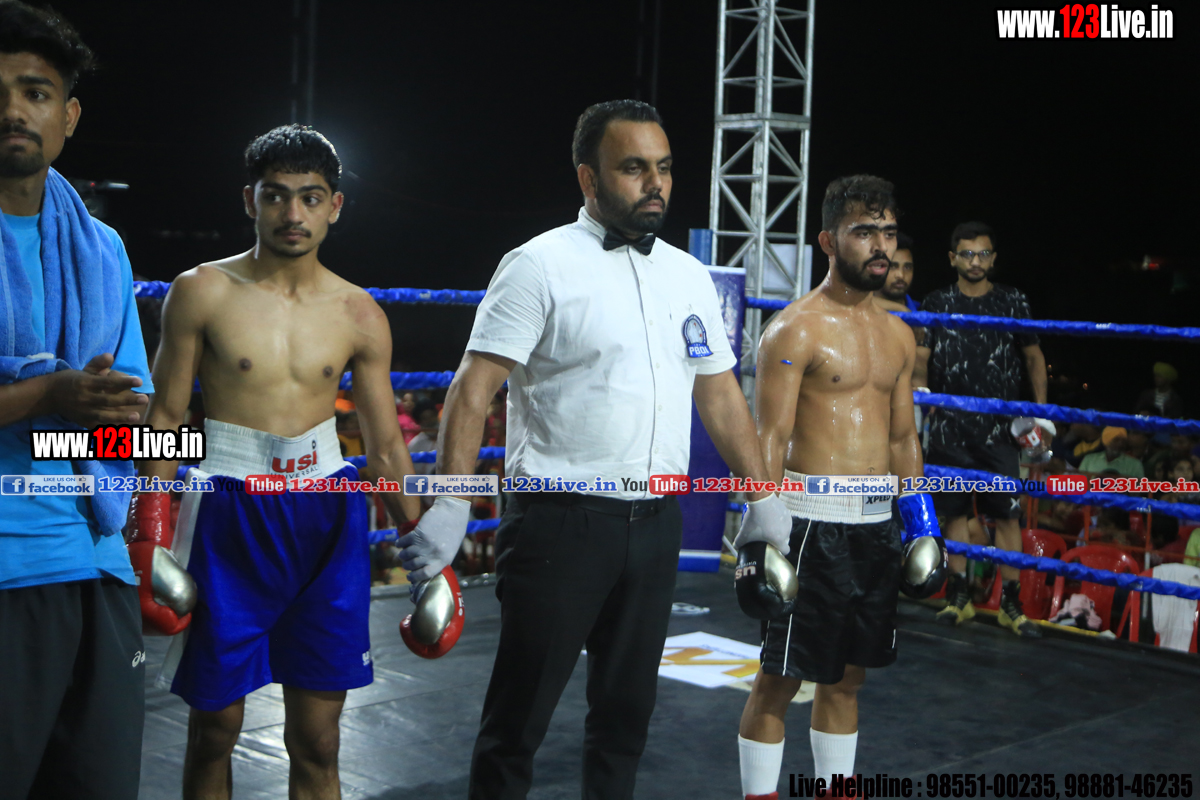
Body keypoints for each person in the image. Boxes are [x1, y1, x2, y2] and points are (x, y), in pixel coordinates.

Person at [396, 99, 791, 800]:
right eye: (634, 167)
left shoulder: (686, 274)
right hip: (560, 524)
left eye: (664, 167)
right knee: (518, 722)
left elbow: (720, 394)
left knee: (626, 719)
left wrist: (762, 494)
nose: (655, 183)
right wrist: (452, 501)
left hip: (656, 525)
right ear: (589, 178)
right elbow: (472, 387)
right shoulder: (538, 265)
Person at [138, 124, 421, 800]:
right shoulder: (201, 291)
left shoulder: (360, 313)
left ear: (334, 206)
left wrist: (426, 551)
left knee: (320, 739)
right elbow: (165, 419)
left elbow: (385, 448)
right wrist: (147, 530)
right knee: (215, 728)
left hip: (326, 516)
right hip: (228, 510)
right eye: (276, 196)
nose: (293, 213)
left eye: (310, 197)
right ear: (251, 200)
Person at [736, 175, 942, 800]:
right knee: (779, 680)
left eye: (888, 233)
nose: (881, 246)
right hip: (807, 524)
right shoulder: (794, 330)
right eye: (864, 232)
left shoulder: (899, 334)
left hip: (875, 526)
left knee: (848, 679)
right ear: (828, 241)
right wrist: (762, 531)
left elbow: (903, 439)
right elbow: (769, 436)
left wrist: (921, 522)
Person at [0, 5, 153, 797]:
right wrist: (50, 392)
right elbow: (67, 399)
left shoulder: (102, 248)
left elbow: (134, 414)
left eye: (35, 91)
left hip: (96, 563)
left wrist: (113, 416)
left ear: (68, 116)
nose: (13, 110)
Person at [918, 221, 1049, 637]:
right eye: (967, 253)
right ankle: (959, 596)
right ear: (952, 258)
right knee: (953, 513)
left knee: (1007, 516)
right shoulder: (937, 301)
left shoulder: (1012, 300)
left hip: (1000, 428)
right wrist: (923, 397)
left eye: (983, 254)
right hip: (950, 425)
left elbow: (1033, 356)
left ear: (993, 259)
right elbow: (921, 358)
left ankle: (1011, 603)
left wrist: (1041, 414)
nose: (976, 261)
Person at [874, 231, 919, 311]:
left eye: (907, 267)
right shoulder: (855, 311)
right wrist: (901, 309)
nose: (901, 275)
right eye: (892, 266)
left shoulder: (923, 311)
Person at [1078, 427, 1145, 479]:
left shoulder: (1135, 465)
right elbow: (1079, 484)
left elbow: (1139, 489)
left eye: (1123, 441)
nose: (1120, 444)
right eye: (1116, 440)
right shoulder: (1089, 460)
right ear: (1106, 442)